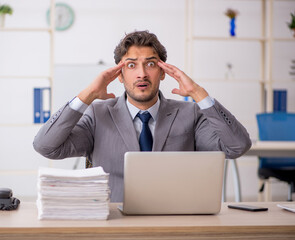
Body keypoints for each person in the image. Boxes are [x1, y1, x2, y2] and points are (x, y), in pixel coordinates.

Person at [33, 30, 252, 202]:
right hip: (113, 224)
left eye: (151, 64)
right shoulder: (98, 115)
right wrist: (87, 95)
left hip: (174, 223)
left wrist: (198, 93)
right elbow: (46, 146)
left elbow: (237, 146)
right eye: (131, 65)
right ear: (119, 74)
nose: (142, 73)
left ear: (163, 72)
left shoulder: (190, 113)